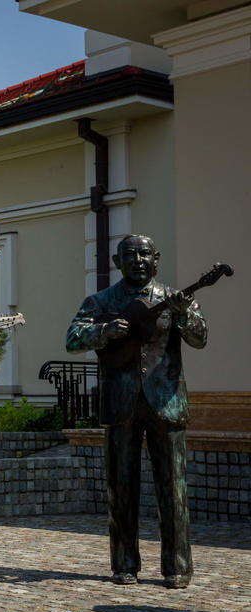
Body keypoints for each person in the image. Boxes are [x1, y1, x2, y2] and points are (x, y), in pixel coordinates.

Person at [66, 234, 206, 589]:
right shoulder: (101, 301)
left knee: (173, 489)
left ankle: (177, 567)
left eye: (145, 254)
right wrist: (103, 330)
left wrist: (183, 314)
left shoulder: (175, 298)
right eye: (130, 255)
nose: (138, 260)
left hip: (166, 401)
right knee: (121, 486)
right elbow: (72, 338)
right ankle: (124, 564)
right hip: (120, 402)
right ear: (118, 262)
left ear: (156, 259)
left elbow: (200, 338)